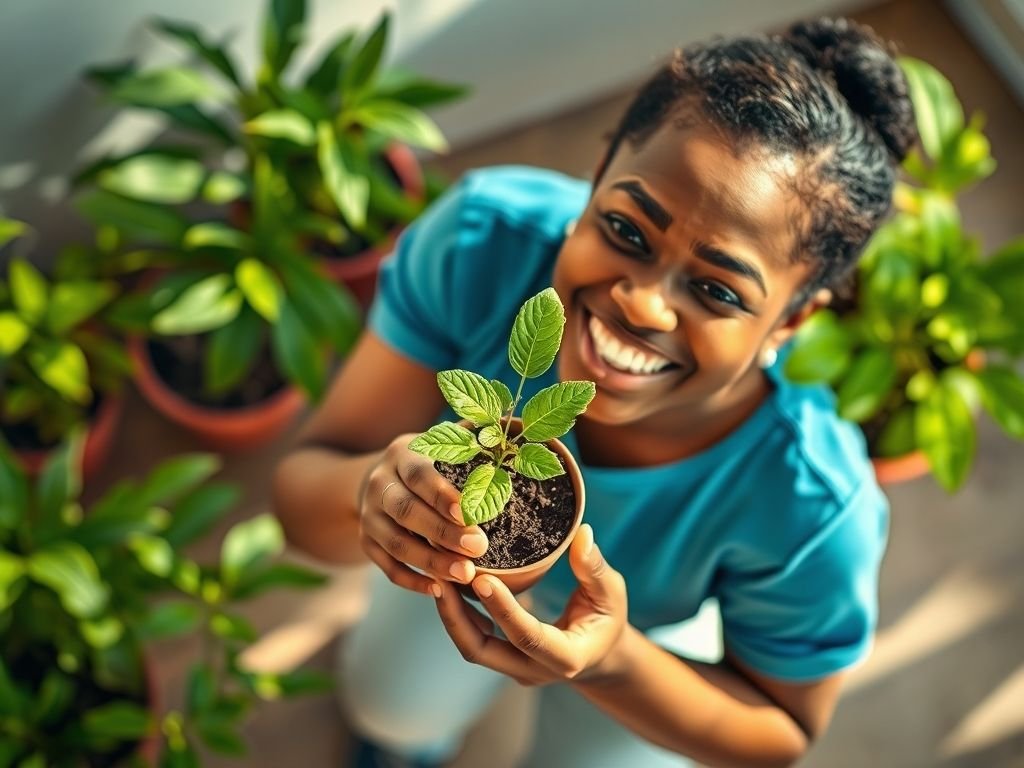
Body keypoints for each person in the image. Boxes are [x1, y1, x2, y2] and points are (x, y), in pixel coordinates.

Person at [273, 15, 915, 768]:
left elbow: (778, 733)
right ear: (600, 169)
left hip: (647, 644)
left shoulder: (811, 503)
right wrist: (370, 499)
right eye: (626, 230)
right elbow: (299, 502)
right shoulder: (484, 241)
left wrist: (608, 663)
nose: (642, 305)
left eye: (716, 289)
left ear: (793, 319)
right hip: (452, 568)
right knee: (391, 704)